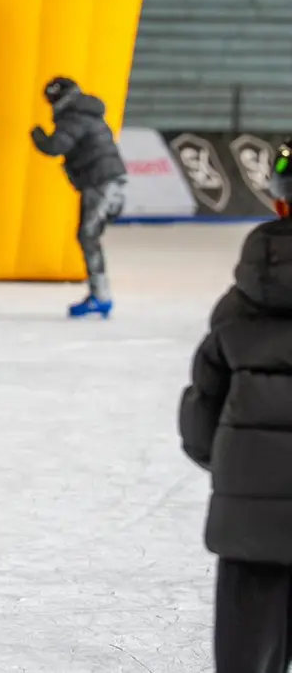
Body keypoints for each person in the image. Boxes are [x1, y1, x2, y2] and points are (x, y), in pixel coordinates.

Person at [178, 139, 292, 673]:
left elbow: (201, 417)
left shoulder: (239, 305)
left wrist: (247, 476)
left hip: (250, 529)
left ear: (280, 203)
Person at [30, 77, 127, 319]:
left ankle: (101, 296)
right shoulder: (86, 112)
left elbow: (56, 146)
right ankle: (99, 294)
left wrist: (38, 135)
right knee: (88, 235)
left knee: (88, 235)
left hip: (100, 182)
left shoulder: (74, 116)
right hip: (108, 180)